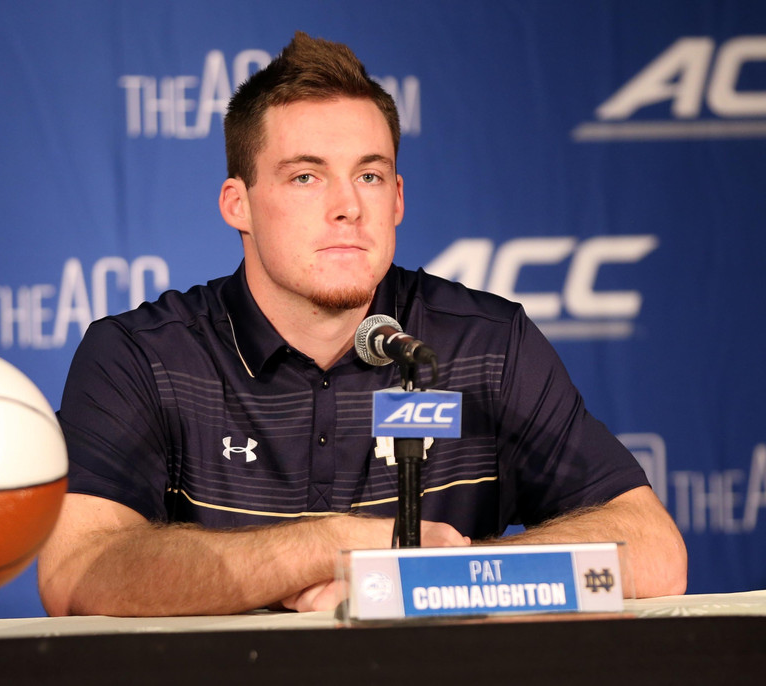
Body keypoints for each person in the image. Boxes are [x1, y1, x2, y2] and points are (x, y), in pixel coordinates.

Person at [38, 32, 686, 617]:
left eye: (369, 175)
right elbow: (77, 573)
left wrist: (432, 579)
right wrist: (336, 545)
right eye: (306, 177)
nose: (348, 206)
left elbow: (656, 551)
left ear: (397, 198)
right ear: (239, 205)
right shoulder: (142, 356)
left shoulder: (487, 344)